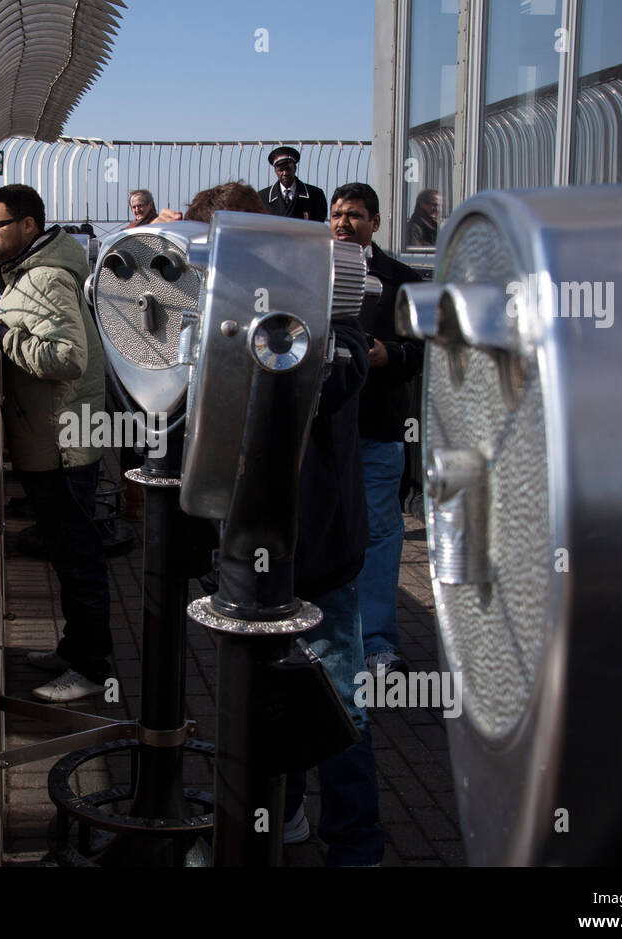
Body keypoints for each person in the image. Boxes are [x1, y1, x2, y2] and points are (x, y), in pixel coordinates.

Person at [181, 182, 383, 865]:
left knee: (339, 708)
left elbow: (337, 377)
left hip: (317, 550)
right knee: (265, 694)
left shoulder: (332, 303)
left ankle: (356, 847)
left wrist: (267, 334)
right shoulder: (217, 319)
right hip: (249, 549)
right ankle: (282, 812)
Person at [0, 184, 112, 703]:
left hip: (62, 444)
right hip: (55, 437)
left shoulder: (45, 277)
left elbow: (66, 358)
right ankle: (76, 650)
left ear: (29, 226)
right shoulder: (27, 274)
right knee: (69, 552)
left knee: (78, 558)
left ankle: (92, 668)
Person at [329, 182, 425, 677]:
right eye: (338, 215)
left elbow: (426, 349)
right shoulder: (312, 273)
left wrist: (392, 354)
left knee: (381, 535)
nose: (344, 224)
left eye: (356, 216)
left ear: (377, 223)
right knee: (324, 533)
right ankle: (326, 639)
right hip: (322, 434)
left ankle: (378, 646)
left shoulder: (403, 281)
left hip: (377, 431)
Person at [263, 146, 328, 222]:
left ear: (295, 168)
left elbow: (318, 226)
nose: (285, 173)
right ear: (275, 171)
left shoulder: (315, 195)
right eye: (281, 170)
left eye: (287, 169)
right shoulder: (263, 197)